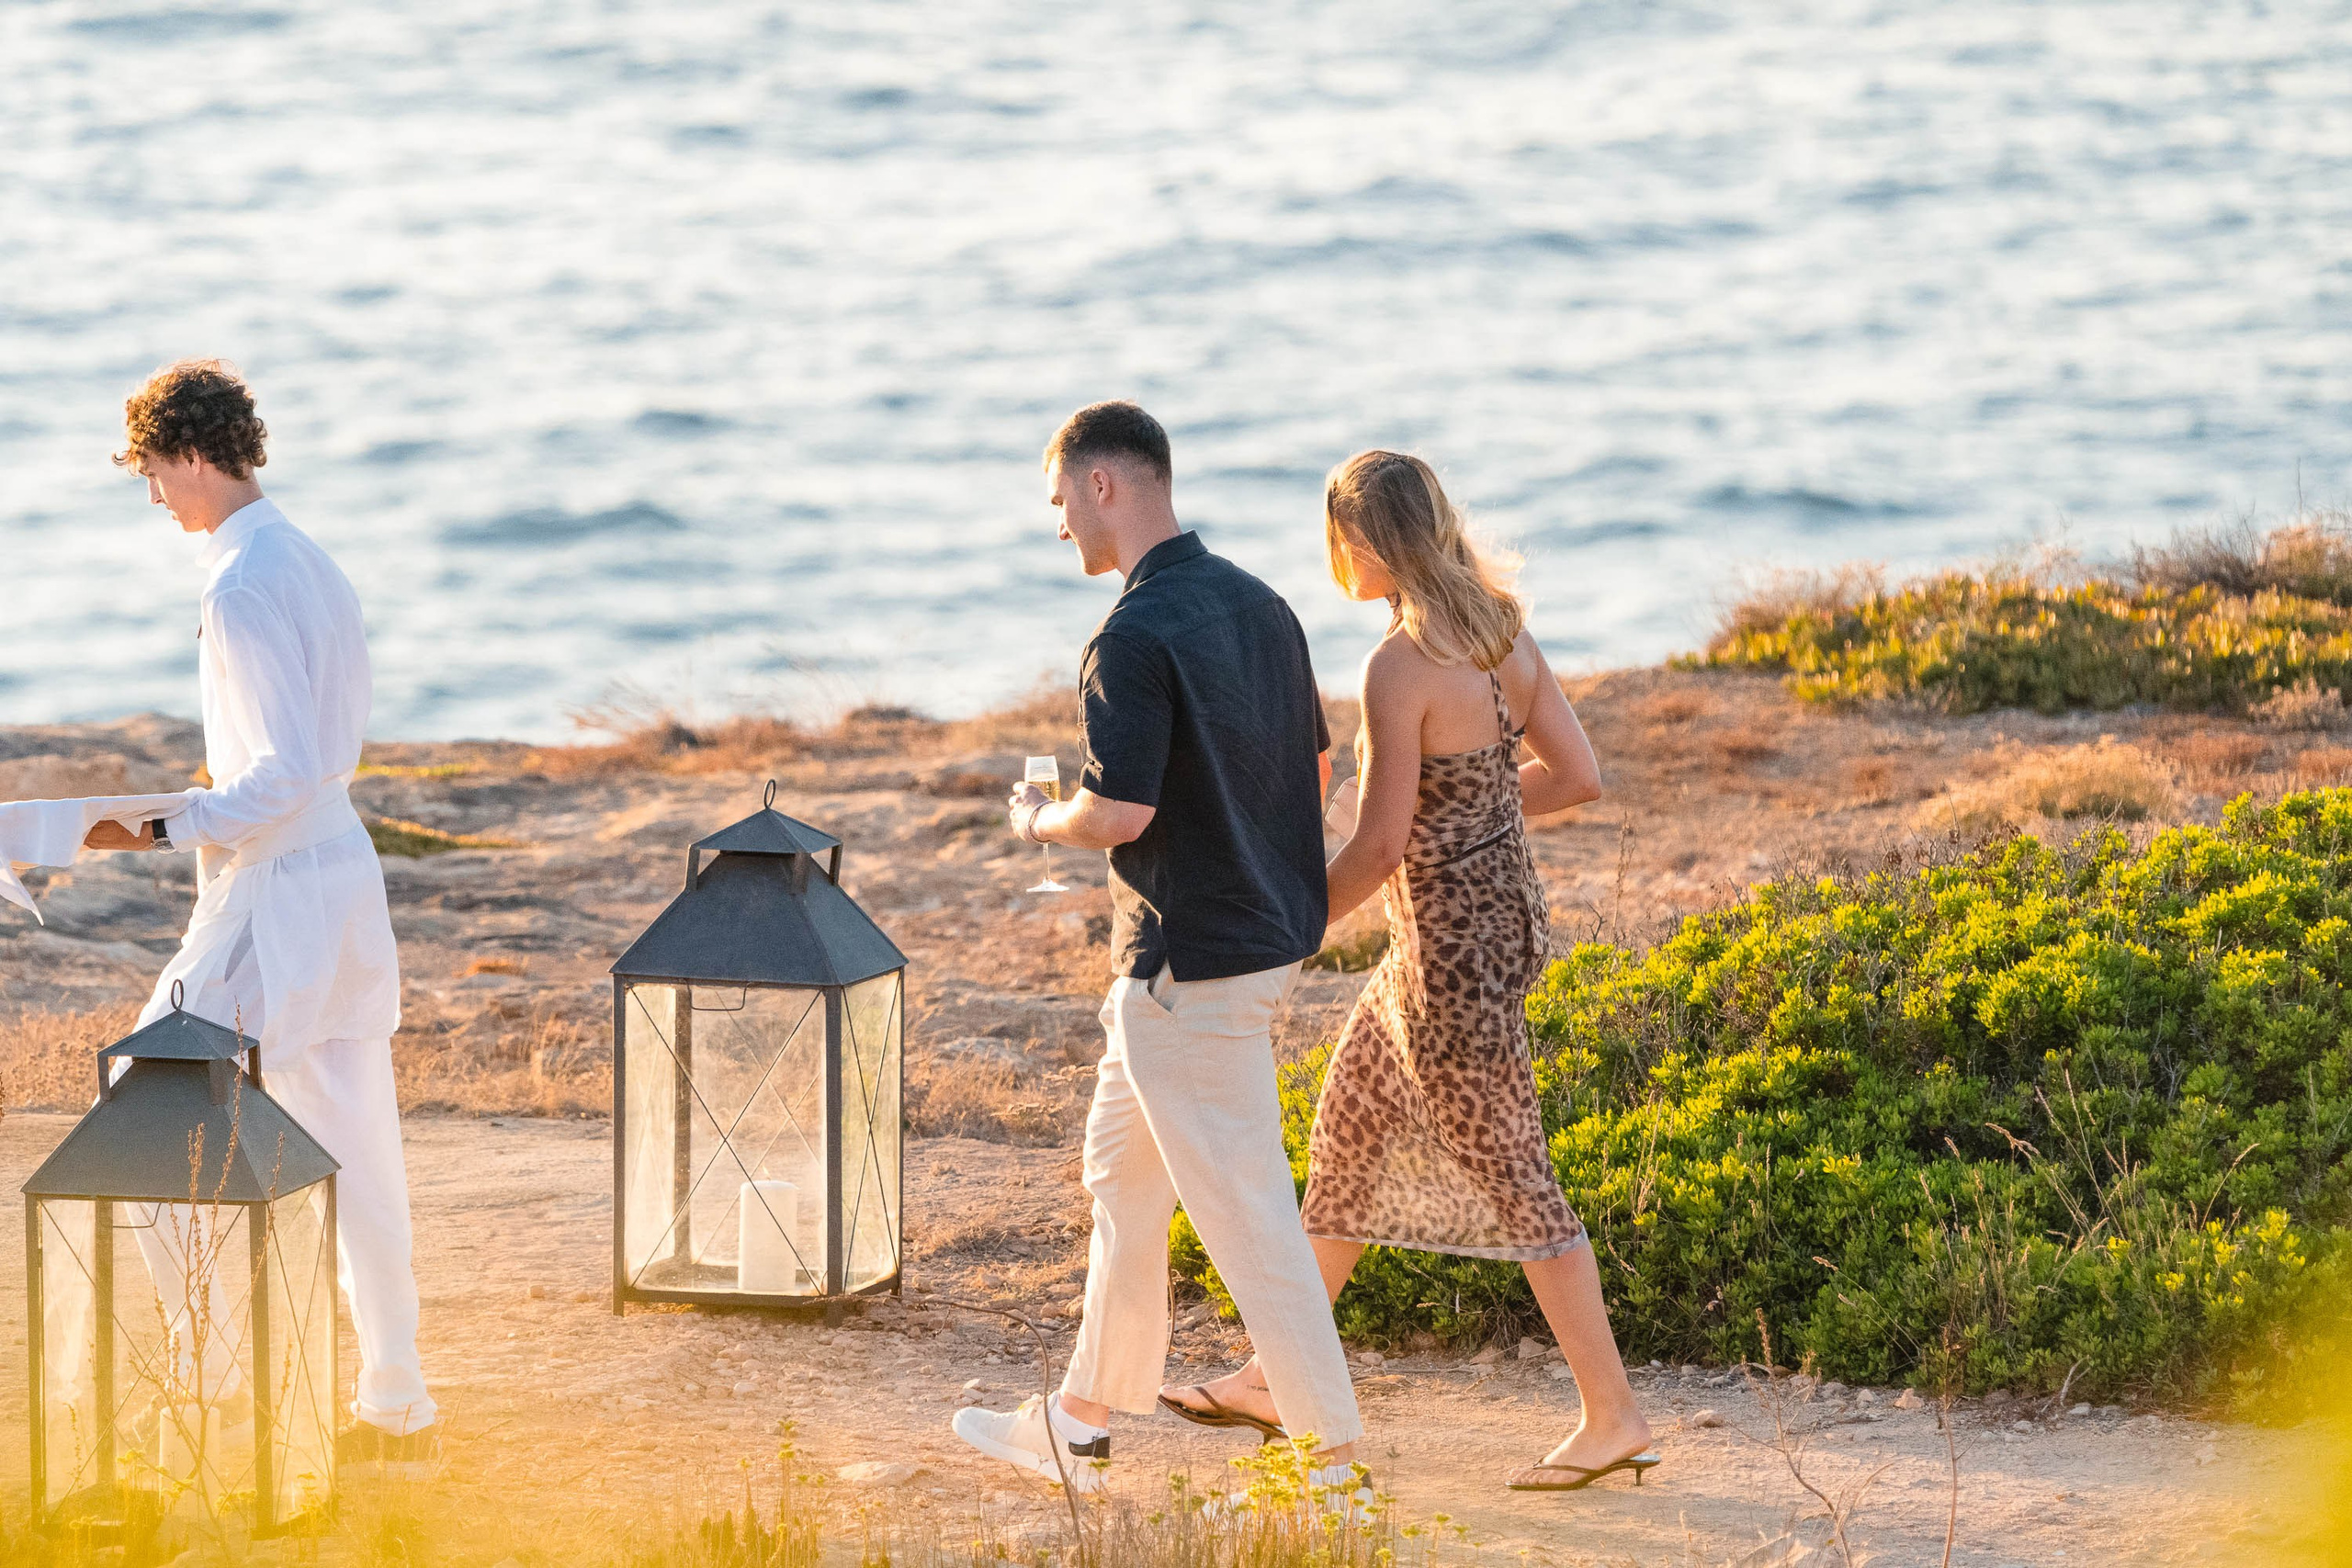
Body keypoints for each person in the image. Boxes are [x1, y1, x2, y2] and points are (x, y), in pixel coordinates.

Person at [1159, 450, 1657, 1492]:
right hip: (1488, 932)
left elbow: (1381, 843)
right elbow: (1576, 775)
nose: (1336, 557)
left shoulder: (1399, 665)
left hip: (1446, 960)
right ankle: (1272, 1376)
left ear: (1367, 542)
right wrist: (1467, 815)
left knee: (1518, 1179)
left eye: (1340, 539)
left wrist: (1286, 924)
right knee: (1347, 1138)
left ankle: (1614, 1416)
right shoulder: (1500, 632)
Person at [951, 401, 1364, 1496]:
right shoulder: (1263, 604)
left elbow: (1118, 812)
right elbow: (1316, 775)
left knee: (1249, 1217)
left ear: (1103, 485)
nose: (1058, 526)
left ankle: (1331, 1467)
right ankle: (1078, 1423)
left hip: (1189, 968)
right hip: (1254, 943)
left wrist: (1037, 822)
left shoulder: (1127, 636)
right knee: (1122, 1182)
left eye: (1059, 501)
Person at [92, 359, 437, 1462]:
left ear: (195, 456)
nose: (155, 497)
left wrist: (153, 825)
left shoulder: (238, 583)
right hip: (340, 875)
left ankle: (212, 1384)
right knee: (358, 1146)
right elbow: (311, 763)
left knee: (144, 1102)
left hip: (277, 891)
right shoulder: (306, 556)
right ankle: (395, 1405)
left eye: (154, 473)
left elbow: (279, 775)